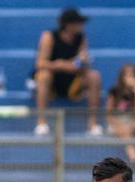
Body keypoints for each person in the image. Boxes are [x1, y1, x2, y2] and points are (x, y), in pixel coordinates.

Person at [32, 7, 103, 137]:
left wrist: (83, 62)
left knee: (94, 76)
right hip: (51, 82)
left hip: (71, 82)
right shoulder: (49, 36)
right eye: (78, 23)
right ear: (68, 24)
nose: (82, 25)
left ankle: (93, 124)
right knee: (44, 75)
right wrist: (62, 65)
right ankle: (41, 122)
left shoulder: (81, 38)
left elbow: (83, 63)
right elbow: (40, 63)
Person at [106, 63, 135, 168]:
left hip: (133, 121)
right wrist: (118, 124)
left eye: (132, 75)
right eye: (127, 75)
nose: (129, 77)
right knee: (125, 130)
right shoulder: (114, 90)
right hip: (117, 123)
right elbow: (108, 115)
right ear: (121, 77)